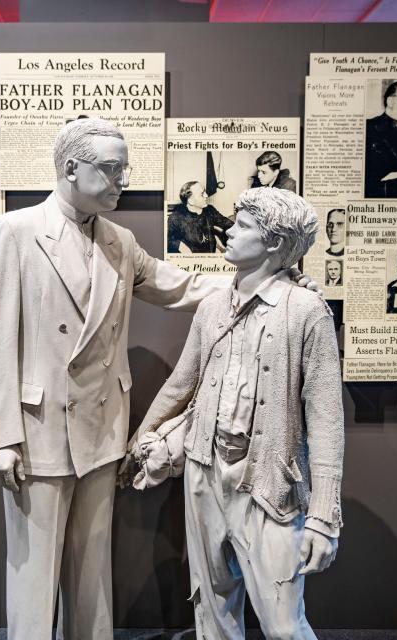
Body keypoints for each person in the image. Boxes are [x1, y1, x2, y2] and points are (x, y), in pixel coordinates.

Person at [0, 118, 319, 640]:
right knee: (33, 577)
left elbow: (178, 286)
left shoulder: (118, 240)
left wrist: (272, 277)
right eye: (111, 169)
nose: (122, 180)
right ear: (71, 167)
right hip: (37, 428)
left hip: (100, 429)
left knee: (93, 573)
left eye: (124, 169)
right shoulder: (17, 232)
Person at [127, 187, 343, 640]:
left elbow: (325, 420)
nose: (228, 229)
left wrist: (323, 517)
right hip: (204, 473)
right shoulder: (211, 307)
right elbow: (182, 384)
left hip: (269, 482)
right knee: (212, 607)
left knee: (284, 626)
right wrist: (142, 438)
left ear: (275, 243)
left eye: (243, 225)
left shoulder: (307, 312)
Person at [167, 180, 235, 253]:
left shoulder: (210, 210)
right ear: (191, 201)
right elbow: (168, 240)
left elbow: (226, 223)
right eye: (202, 194)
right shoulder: (175, 218)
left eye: (204, 192)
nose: (206, 195)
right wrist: (179, 245)